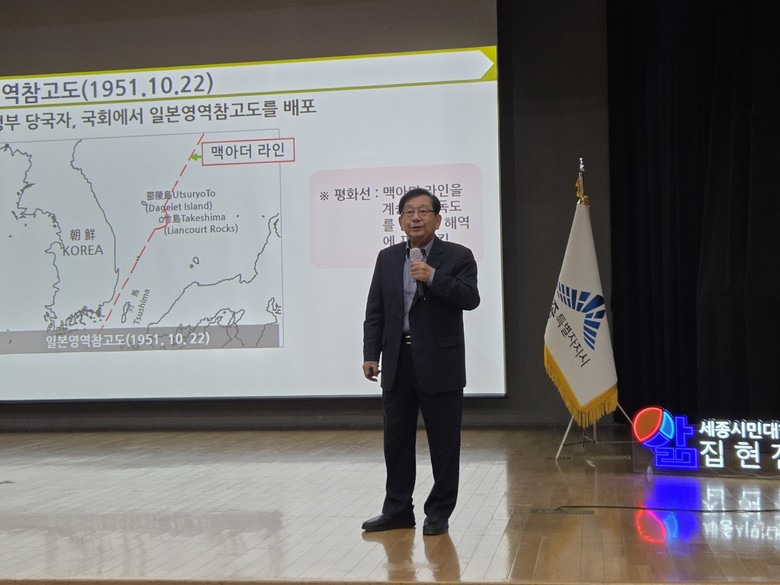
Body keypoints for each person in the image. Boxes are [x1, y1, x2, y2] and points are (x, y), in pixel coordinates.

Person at [361, 187, 480, 536]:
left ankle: (439, 512)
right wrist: (371, 354)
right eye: (409, 212)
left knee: (444, 444)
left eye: (423, 212)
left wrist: (433, 276)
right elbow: (376, 310)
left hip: (441, 363)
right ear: (399, 220)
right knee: (396, 442)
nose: (416, 218)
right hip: (398, 360)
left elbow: (470, 298)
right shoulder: (387, 258)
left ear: (438, 219)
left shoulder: (458, 255)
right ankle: (397, 510)